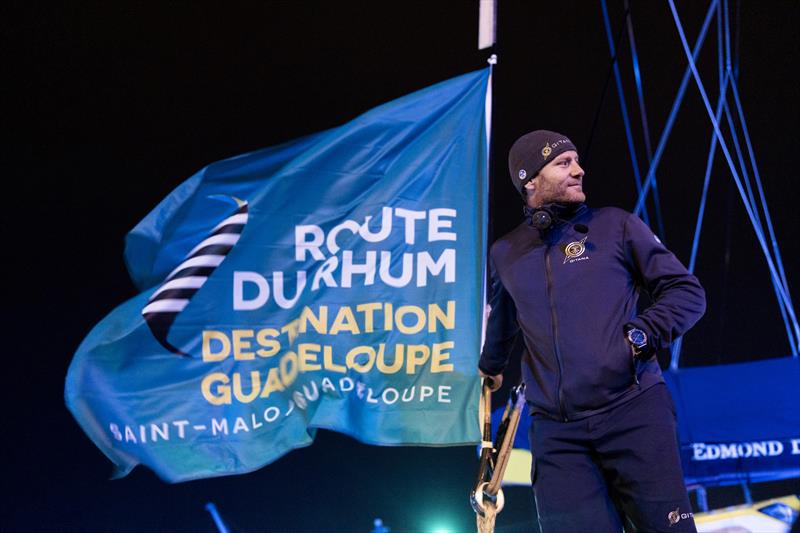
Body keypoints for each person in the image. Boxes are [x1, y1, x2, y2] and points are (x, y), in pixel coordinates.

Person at [479, 130, 706, 532]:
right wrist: (490, 367)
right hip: (557, 435)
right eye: (563, 163)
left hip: (633, 412)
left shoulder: (615, 225)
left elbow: (687, 292)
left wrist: (639, 335)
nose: (579, 170)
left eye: (577, 161)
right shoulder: (506, 252)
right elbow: (502, 320)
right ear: (529, 179)